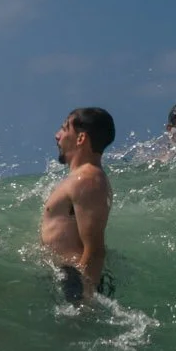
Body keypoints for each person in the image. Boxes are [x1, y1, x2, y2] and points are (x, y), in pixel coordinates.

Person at [41, 106, 115, 303]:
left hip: (75, 282)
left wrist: (82, 301)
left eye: (64, 129)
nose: (57, 136)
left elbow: (95, 249)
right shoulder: (80, 178)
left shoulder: (88, 179)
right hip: (68, 278)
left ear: (81, 138)